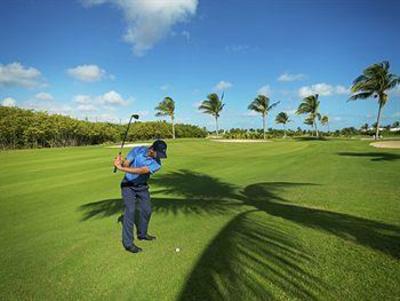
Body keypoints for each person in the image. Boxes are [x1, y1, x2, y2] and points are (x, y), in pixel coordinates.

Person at [113, 140, 167, 254]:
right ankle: (128, 244)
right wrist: (121, 162)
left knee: (147, 210)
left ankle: (142, 234)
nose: (160, 157)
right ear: (152, 149)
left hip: (142, 187)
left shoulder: (157, 164)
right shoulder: (137, 150)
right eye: (158, 154)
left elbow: (141, 171)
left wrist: (121, 168)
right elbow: (127, 164)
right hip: (128, 185)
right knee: (130, 211)